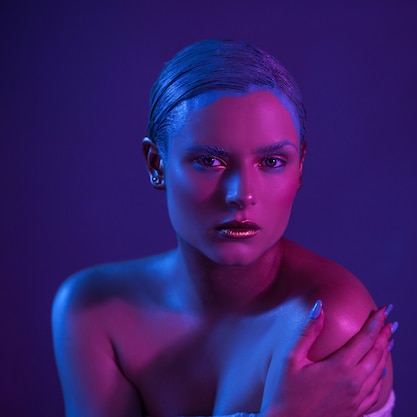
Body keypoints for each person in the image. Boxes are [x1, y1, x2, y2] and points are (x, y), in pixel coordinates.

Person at [52, 39, 396, 417]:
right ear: (156, 164)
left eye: (271, 161)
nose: (242, 195)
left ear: (300, 167)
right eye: (209, 160)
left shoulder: (325, 322)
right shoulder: (94, 312)